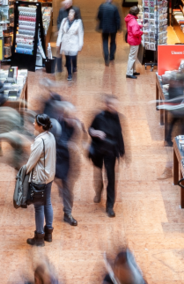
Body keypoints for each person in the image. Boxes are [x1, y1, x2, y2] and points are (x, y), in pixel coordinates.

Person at [89, 95, 125, 217]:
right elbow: (90, 129)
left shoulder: (117, 117)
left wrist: (122, 151)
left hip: (111, 152)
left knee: (111, 178)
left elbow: (119, 134)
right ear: (107, 104)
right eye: (111, 105)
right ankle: (98, 192)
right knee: (98, 175)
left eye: (115, 105)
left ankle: (110, 206)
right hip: (99, 151)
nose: (114, 107)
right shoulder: (99, 117)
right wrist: (95, 132)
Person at [25, 113, 56, 246]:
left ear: (41, 126)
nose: (33, 124)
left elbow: (32, 161)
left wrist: (25, 172)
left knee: (39, 208)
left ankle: (38, 237)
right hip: (49, 176)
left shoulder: (39, 141)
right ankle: (48, 232)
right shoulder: (51, 136)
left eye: (35, 122)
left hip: (40, 178)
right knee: (47, 203)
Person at [53, 99, 83, 227]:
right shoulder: (57, 127)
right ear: (64, 117)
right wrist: (70, 145)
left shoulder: (77, 125)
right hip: (57, 162)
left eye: (73, 115)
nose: (72, 119)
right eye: (69, 116)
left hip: (70, 165)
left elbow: (82, 140)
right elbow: (55, 143)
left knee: (68, 190)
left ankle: (68, 214)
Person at [56, 7, 84, 81]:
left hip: (74, 43)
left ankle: (74, 67)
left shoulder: (78, 22)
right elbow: (61, 32)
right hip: (66, 42)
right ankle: (69, 74)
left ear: (75, 14)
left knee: (73, 58)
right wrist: (58, 42)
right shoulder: (64, 20)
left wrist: (80, 44)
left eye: (72, 13)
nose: (70, 14)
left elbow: (80, 34)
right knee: (67, 59)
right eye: (69, 13)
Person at [97, 0, 121, 67]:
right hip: (113, 28)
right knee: (113, 42)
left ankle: (106, 57)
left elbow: (98, 17)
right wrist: (119, 28)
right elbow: (117, 18)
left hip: (104, 28)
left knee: (105, 42)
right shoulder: (114, 7)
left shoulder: (102, 6)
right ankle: (111, 57)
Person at [125, 6, 142, 79]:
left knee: (133, 56)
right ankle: (129, 72)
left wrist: (140, 25)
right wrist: (142, 32)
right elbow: (135, 32)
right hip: (134, 40)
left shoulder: (130, 19)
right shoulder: (133, 21)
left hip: (131, 39)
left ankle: (133, 70)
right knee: (132, 57)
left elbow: (133, 28)